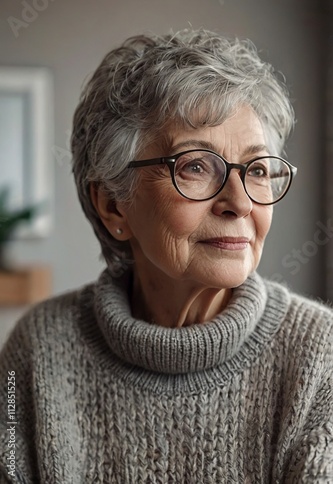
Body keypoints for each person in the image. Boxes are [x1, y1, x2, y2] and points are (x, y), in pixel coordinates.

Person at [0, 28, 332, 484]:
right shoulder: (35, 352)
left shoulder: (320, 358)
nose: (240, 202)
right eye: (195, 165)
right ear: (113, 205)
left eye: (257, 170)